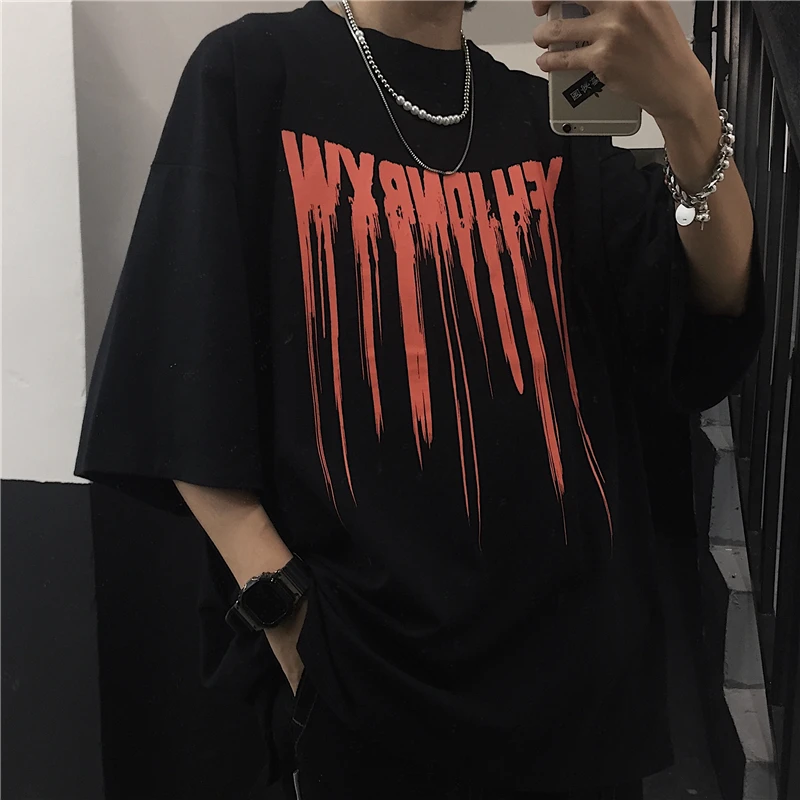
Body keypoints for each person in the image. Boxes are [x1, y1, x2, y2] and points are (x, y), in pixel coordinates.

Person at [75, 1, 765, 798]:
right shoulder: (253, 71)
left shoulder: (546, 118)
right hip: (369, 695)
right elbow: (181, 376)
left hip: (578, 704)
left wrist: (691, 113)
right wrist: (293, 631)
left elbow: (707, 315)